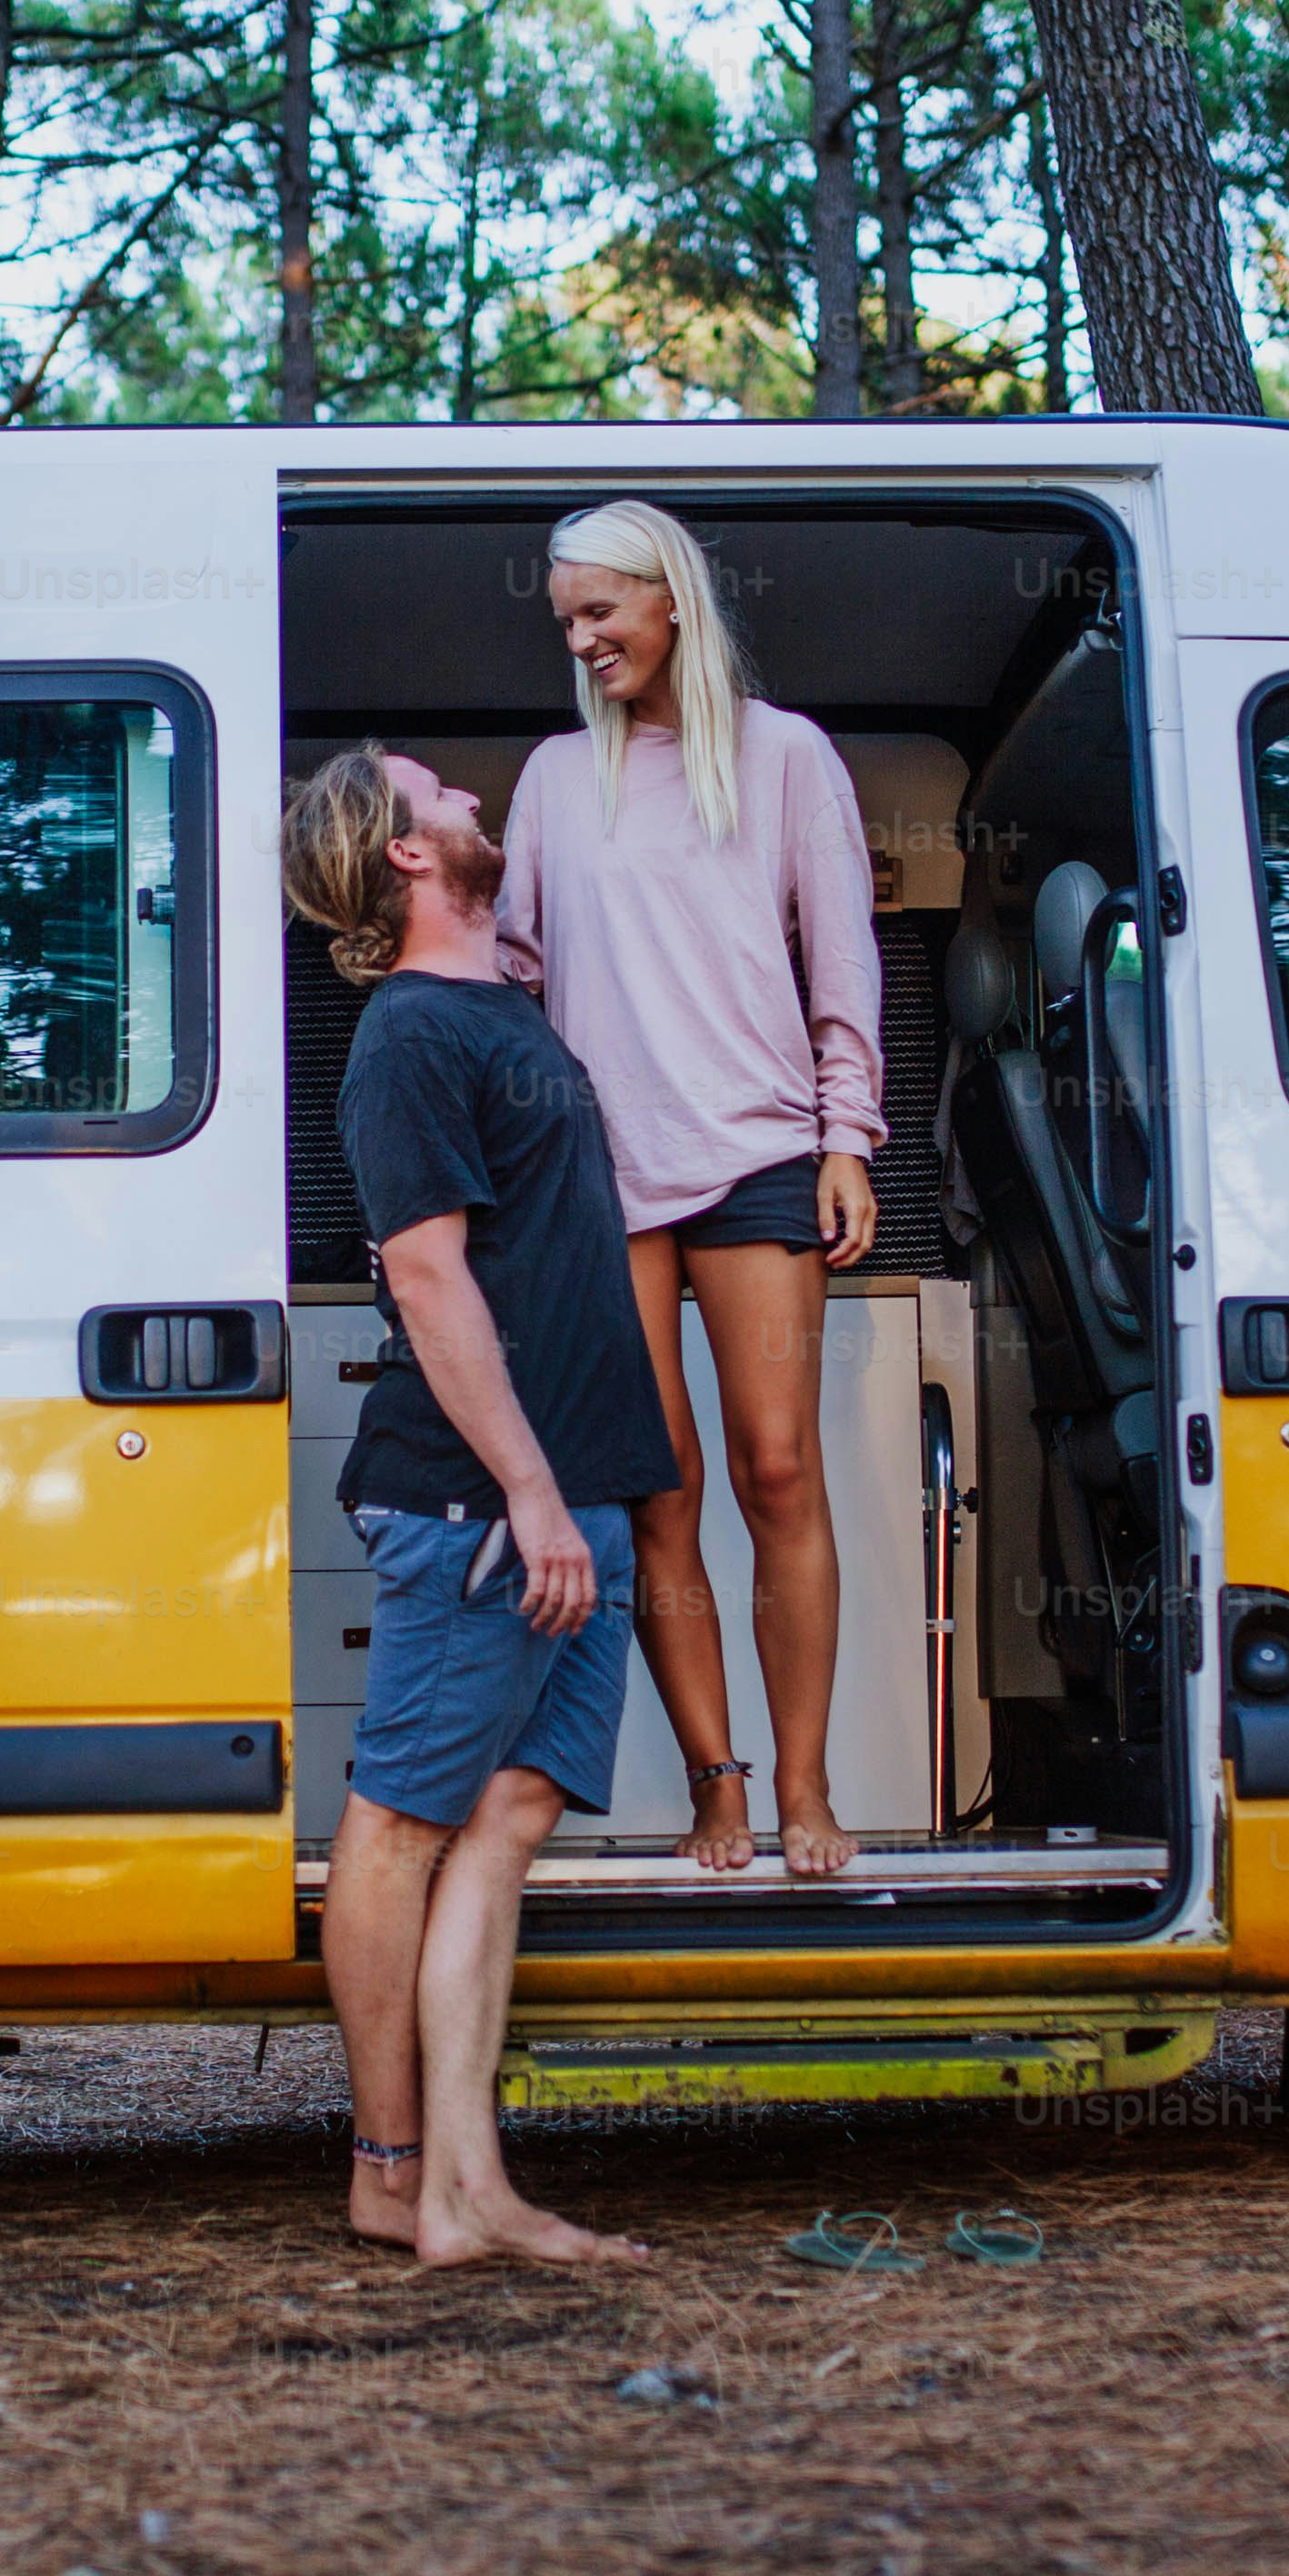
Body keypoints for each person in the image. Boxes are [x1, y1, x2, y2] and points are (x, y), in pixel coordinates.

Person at [281, 743, 667, 2271]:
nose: (471, 799)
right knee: (398, 1827)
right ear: (403, 852)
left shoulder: (499, 1003)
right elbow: (428, 1277)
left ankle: (471, 2182)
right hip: (481, 1507)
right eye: (439, 791)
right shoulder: (407, 1036)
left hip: (571, 1496)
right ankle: (391, 2172)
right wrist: (530, 1490)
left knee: (504, 1821)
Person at [496, 498, 886, 1879]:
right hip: (606, 1175)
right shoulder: (558, 776)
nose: (582, 640)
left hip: (761, 1150)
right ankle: (720, 1787)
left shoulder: (785, 757)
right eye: (567, 622)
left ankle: (806, 1785)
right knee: (657, 1495)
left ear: (673, 600)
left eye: (600, 611)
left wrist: (848, 1135)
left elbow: (842, 957)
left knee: (779, 1468)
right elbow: (516, 970)